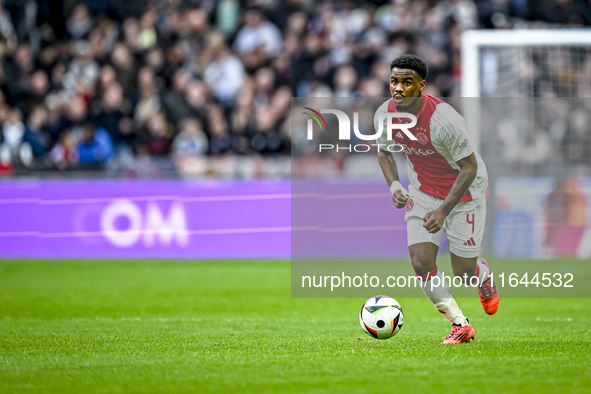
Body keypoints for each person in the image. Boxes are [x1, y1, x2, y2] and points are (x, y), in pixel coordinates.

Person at [375, 54, 499, 344]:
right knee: (420, 262)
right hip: (423, 191)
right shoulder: (385, 114)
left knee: (463, 273)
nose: (399, 88)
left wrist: (443, 211)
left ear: (421, 86)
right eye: (394, 81)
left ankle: (483, 276)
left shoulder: (445, 119)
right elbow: (384, 151)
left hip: (464, 193)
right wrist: (394, 184)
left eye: (407, 82)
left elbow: (469, 168)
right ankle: (460, 323)